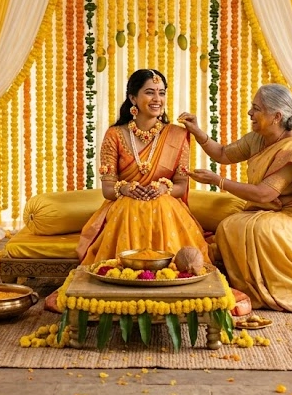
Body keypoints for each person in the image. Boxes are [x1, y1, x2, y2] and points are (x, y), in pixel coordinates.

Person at [180, 84, 292, 312]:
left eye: (256, 108)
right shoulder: (257, 139)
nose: (250, 113)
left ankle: (282, 291)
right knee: (229, 226)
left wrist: (218, 181)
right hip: (268, 213)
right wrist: (197, 131)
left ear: (276, 117)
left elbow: (265, 193)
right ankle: (249, 288)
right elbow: (222, 154)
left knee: (262, 229)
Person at [76, 69, 208, 265]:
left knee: (161, 204)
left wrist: (164, 188)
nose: (157, 99)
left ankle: (165, 272)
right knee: (130, 206)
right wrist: (125, 189)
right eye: (149, 92)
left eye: (161, 92)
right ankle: (127, 272)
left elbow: (181, 185)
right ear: (133, 98)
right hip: (123, 207)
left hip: (167, 207)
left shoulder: (177, 135)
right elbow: (108, 189)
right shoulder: (114, 135)